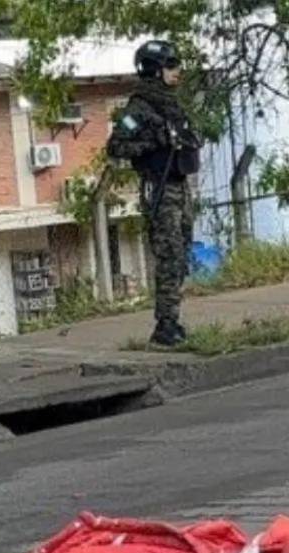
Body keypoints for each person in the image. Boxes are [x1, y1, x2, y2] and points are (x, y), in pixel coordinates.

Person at [106, 39, 203, 347]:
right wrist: (155, 142)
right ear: (155, 70)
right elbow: (117, 145)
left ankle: (172, 315)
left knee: (182, 251)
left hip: (180, 185)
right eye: (171, 66)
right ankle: (165, 323)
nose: (177, 72)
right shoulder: (138, 109)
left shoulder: (172, 105)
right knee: (169, 253)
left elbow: (190, 136)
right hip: (159, 186)